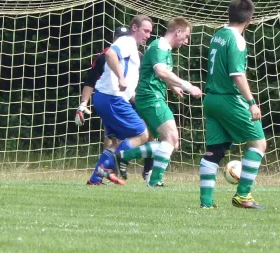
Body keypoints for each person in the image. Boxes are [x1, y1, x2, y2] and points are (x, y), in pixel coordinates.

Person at [110, 17, 203, 187]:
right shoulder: (160, 46)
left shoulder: (164, 48)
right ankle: (154, 180)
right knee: (172, 137)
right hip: (150, 97)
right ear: (178, 32)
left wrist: (173, 86)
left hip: (152, 97)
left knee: (170, 143)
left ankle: (125, 156)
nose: (187, 41)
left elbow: (160, 73)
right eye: (187, 36)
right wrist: (187, 85)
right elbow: (160, 71)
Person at [198, 0, 267, 210]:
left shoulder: (218, 34)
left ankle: (206, 203)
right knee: (258, 144)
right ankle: (243, 195)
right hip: (230, 99)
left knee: (214, 151)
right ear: (250, 18)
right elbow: (237, 75)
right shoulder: (237, 39)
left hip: (211, 100)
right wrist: (252, 102)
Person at [75, 26, 156, 185]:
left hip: (117, 100)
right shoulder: (109, 53)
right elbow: (91, 80)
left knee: (116, 141)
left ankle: (96, 178)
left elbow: (130, 86)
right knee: (144, 134)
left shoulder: (135, 55)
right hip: (114, 100)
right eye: (145, 31)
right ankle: (115, 164)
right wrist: (83, 104)